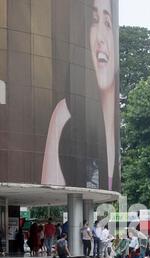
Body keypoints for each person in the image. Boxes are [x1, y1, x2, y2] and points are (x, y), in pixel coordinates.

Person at [41, 0, 118, 191]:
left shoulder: (117, 126)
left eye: (108, 24)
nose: (100, 36)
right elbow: (51, 191)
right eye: (94, 21)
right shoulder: (65, 114)